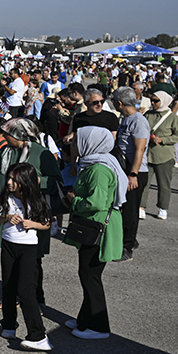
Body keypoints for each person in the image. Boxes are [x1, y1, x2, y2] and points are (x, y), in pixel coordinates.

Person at [63, 126, 126, 340]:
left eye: (76, 141)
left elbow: (96, 202)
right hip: (95, 226)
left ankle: (99, 327)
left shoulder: (98, 168)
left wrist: (74, 201)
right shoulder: (94, 163)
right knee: (88, 274)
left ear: (90, 143)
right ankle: (86, 319)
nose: (73, 144)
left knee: (90, 275)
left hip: (98, 227)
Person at [0, 163, 53, 351]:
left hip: (28, 248)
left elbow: (46, 224)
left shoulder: (36, 199)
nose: (8, 182)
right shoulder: (4, 197)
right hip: (8, 245)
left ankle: (39, 336)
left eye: (13, 179)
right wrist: (6, 218)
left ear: (25, 181)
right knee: (8, 285)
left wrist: (32, 224)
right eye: (8, 178)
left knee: (25, 291)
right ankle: (9, 325)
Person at [112, 87, 149, 261]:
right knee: (124, 208)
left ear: (119, 103)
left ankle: (127, 248)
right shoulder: (126, 119)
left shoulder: (138, 121)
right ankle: (130, 239)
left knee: (129, 211)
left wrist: (133, 174)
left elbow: (140, 148)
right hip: (125, 169)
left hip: (134, 171)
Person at [143, 91, 178, 219]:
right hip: (147, 154)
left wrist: (163, 139)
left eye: (156, 101)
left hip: (164, 156)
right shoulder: (148, 114)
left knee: (164, 184)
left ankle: (163, 208)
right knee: (144, 183)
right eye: (152, 100)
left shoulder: (172, 117)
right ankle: (141, 206)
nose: (152, 103)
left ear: (164, 101)